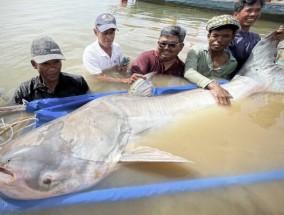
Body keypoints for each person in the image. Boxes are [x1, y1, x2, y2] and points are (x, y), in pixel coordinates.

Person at [13, 36, 89, 104]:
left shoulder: (78, 83)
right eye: (45, 64)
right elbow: (14, 115)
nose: (53, 68)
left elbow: (90, 104)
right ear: (34, 64)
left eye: (56, 62)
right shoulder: (24, 91)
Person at [184, 15, 240, 105]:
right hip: (188, 93)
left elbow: (224, 83)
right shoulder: (196, 51)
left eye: (226, 36)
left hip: (207, 97)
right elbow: (189, 72)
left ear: (232, 37)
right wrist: (214, 86)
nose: (219, 40)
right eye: (215, 35)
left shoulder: (232, 63)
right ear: (208, 36)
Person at [83, 13, 144, 84]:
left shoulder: (117, 47)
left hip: (113, 79)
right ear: (95, 32)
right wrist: (124, 80)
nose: (109, 37)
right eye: (105, 33)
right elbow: (98, 77)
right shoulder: (90, 52)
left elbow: (118, 69)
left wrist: (122, 68)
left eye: (112, 32)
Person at [229, 0, 284, 75]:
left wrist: (275, 40)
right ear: (235, 14)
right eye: (249, 10)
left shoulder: (255, 37)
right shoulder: (227, 36)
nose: (254, 14)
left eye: (258, 10)